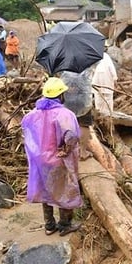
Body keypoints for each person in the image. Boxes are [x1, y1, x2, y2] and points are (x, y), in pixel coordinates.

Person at [22, 77, 82, 236]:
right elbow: (71, 136)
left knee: (45, 190)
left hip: (41, 160)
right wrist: (66, 150)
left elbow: (28, 135)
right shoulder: (64, 114)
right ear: (61, 95)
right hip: (58, 160)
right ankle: (65, 224)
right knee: (64, 189)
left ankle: (49, 225)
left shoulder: (32, 114)